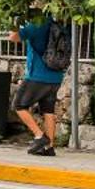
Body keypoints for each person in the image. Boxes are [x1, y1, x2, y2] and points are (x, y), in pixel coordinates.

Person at [10, 16, 66, 156]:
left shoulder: (35, 25)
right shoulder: (56, 24)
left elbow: (13, 37)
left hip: (37, 76)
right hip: (56, 76)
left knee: (18, 105)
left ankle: (39, 136)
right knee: (48, 111)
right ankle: (49, 147)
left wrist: (14, 22)